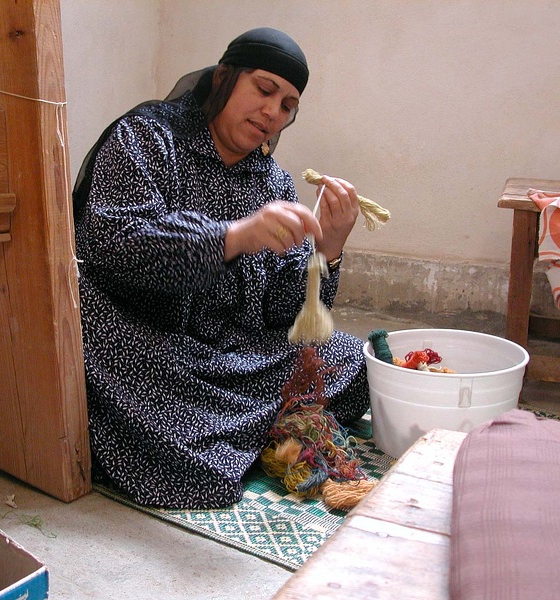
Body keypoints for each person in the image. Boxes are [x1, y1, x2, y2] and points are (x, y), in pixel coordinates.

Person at [73, 27, 370, 509]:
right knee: (99, 329)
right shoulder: (147, 137)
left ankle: (242, 425)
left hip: (234, 348)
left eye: (288, 105)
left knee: (355, 364)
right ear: (224, 80)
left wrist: (329, 248)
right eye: (264, 89)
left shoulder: (272, 180)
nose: (273, 111)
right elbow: (114, 243)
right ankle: (248, 428)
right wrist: (234, 237)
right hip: (153, 338)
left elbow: (286, 313)